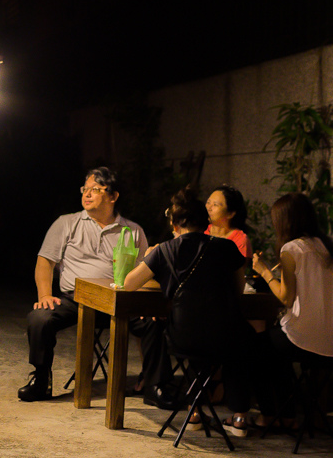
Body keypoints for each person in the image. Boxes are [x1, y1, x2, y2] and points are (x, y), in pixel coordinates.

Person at [21, 167, 173, 408]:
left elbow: (146, 272)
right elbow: (45, 262)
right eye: (85, 189)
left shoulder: (132, 231)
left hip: (119, 299)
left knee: (153, 321)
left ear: (113, 196)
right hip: (75, 298)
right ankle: (41, 379)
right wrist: (45, 294)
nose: (87, 194)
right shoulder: (66, 223)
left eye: (95, 189)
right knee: (39, 318)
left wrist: (143, 302)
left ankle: (155, 386)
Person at [124, 187, 254, 433]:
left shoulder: (165, 249)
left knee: (196, 331)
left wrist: (150, 259)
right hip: (226, 337)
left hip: (184, 338)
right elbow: (237, 292)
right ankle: (239, 417)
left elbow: (129, 283)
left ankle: (194, 412)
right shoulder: (227, 248)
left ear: (175, 223)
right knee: (237, 336)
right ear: (202, 220)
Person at [250, 192, 333, 429]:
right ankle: (288, 417)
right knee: (276, 347)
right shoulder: (326, 246)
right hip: (330, 340)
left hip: (305, 337)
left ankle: (269, 415)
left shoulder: (291, 249)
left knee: (256, 347)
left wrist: (265, 272)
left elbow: (286, 298)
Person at [205, 185, 252, 260]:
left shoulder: (240, 240)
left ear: (230, 214)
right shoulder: (200, 230)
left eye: (215, 205)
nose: (208, 208)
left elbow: (239, 271)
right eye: (208, 202)